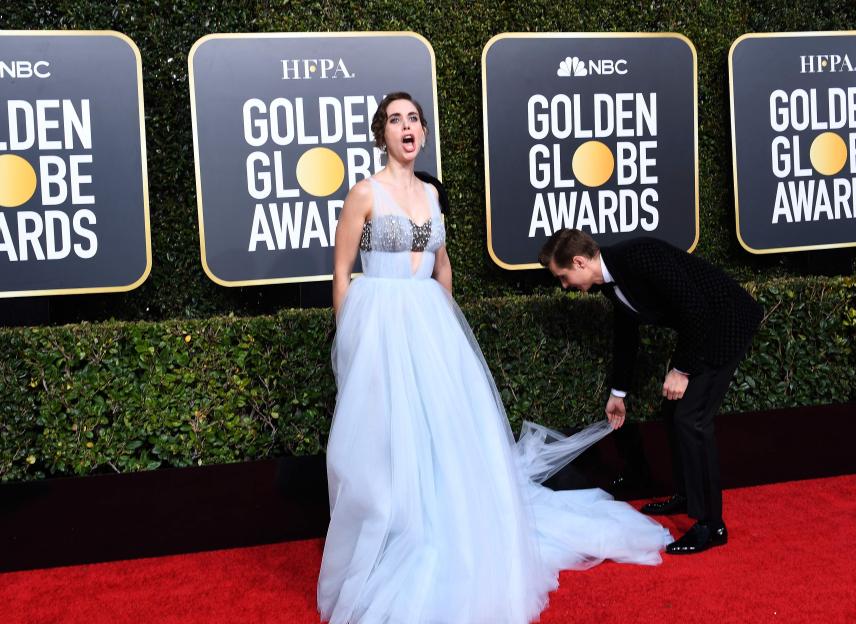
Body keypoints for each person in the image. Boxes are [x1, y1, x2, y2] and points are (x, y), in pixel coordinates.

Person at [317, 93, 672, 624]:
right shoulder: (364, 193)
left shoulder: (432, 197)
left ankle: (440, 531)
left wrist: (444, 320)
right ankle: (387, 543)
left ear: (422, 132)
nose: (407, 127)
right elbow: (342, 273)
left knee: (442, 440)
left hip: (430, 328)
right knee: (381, 448)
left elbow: (442, 265)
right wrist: (350, 340)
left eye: (414, 118)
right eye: (396, 120)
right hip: (380, 325)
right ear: (381, 134)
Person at [539, 229, 763, 555]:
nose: (565, 285)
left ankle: (710, 524)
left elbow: (695, 308)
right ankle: (687, 496)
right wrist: (618, 394)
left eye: (563, 276)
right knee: (674, 412)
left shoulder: (639, 255)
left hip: (727, 323)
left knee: (691, 419)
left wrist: (681, 370)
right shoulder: (610, 283)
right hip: (703, 329)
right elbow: (627, 338)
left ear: (579, 261)